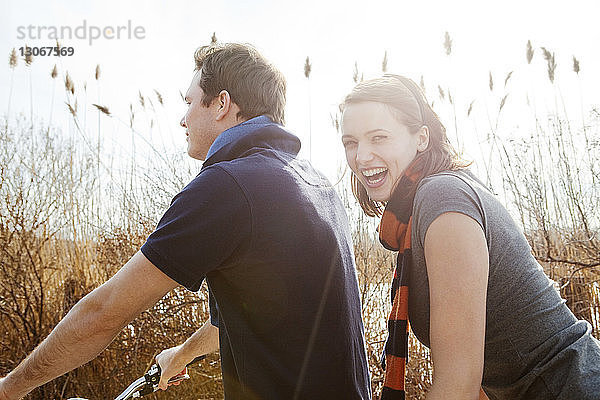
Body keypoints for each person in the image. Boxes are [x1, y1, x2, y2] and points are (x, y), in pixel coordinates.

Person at [0, 43, 371, 400]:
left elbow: (104, 312)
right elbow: (253, 315)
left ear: (222, 103)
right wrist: (182, 353)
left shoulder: (229, 185)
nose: (183, 118)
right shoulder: (312, 181)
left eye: (189, 101)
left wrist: (10, 388)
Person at [339, 74, 600, 400]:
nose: (361, 157)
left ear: (421, 138)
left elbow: (458, 386)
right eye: (351, 142)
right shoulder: (422, 206)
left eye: (378, 138)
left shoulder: (442, 197)